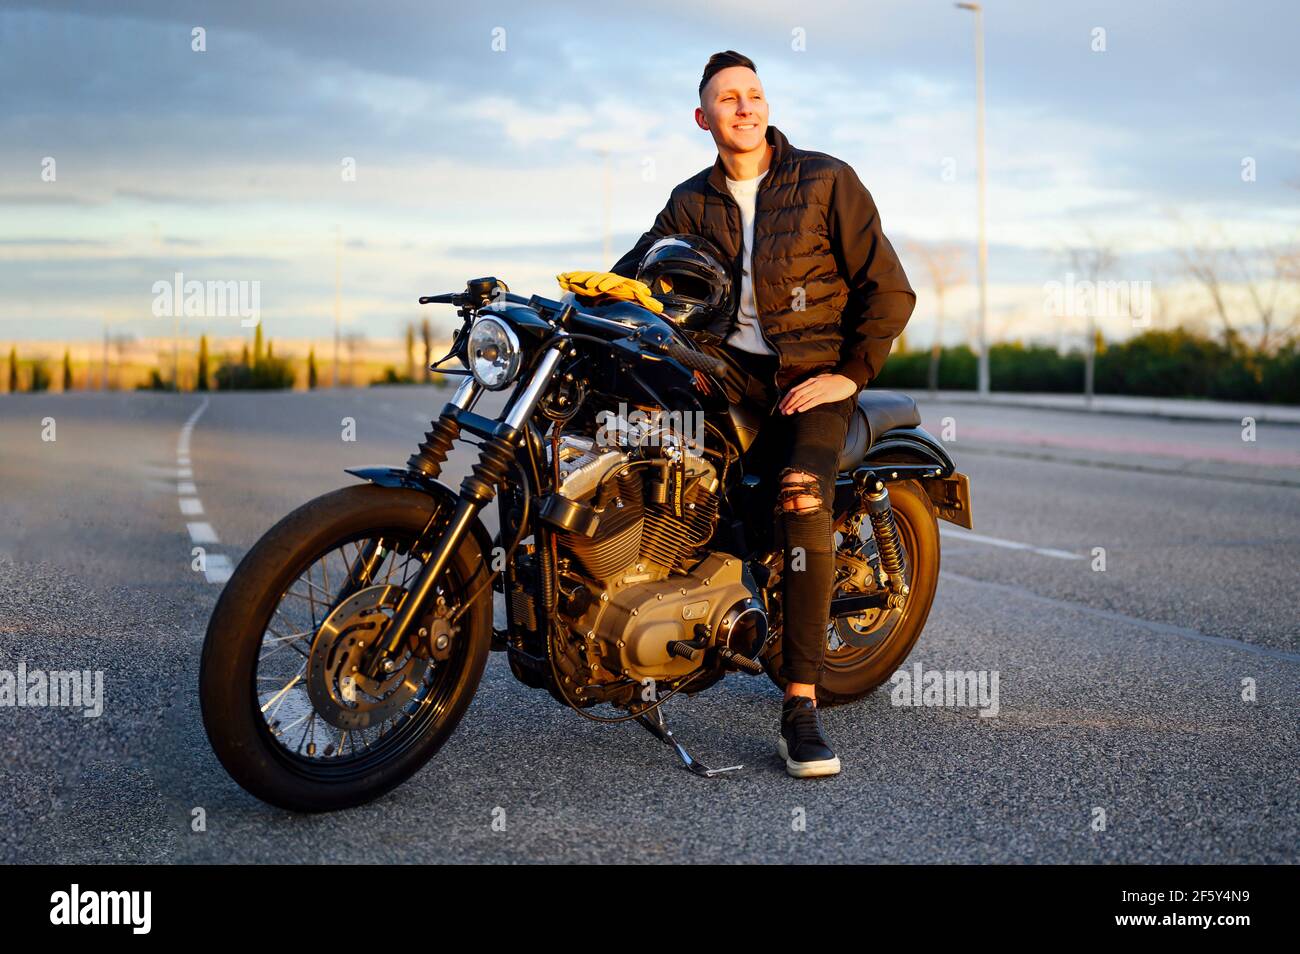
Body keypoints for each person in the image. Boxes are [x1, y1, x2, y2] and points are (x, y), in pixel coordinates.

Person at [610, 50, 916, 778]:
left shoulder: (824, 179)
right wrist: (570, 307)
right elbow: (634, 274)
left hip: (811, 375)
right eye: (727, 99)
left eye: (753, 95)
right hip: (728, 376)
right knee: (643, 450)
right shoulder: (692, 201)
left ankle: (801, 705)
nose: (743, 108)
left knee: (801, 494)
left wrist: (849, 375)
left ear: (766, 106)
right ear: (703, 117)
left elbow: (889, 289)